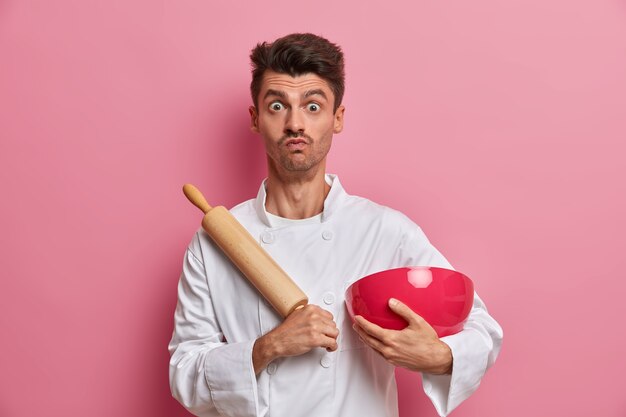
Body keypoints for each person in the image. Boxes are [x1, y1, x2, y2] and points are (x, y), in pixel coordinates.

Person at [169, 33, 503, 417]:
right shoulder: (215, 243)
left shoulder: (385, 231)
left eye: (313, 106)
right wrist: (269, 347)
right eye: (277, 105)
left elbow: (481, 327)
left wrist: (441, 356)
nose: (295, 123)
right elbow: (184, 373)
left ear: (337, 118)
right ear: (255, 118)